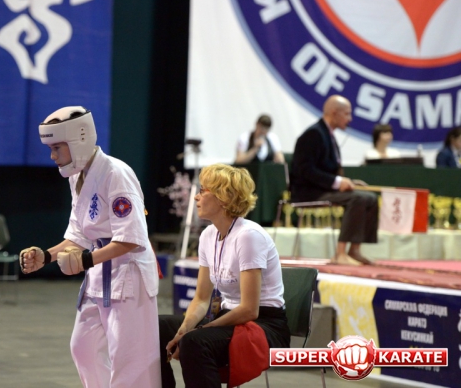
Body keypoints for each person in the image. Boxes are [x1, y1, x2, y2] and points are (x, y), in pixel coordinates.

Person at [19, 106, 161, 388]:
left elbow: (132, 237)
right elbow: (79, 234)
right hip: (99, 271)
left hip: (129, 275)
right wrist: (46, 256)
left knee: (130, 361)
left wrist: (86, 260)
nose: (52, 156)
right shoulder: (77, 175)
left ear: (79, 139)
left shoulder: (116, 174)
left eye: (57, 148)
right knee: (83, 348)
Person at [158, 163, 289, 388]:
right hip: (229, 317)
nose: (196, 197)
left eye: (203, 191)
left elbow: (249, 310)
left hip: (263, 325)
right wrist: (183, 329)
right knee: (158, 328)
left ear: (223, 197)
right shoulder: (208, 235)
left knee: (194, 341)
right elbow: (201, 299)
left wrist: (198, 331)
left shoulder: (248, 236)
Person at [290, 95, 378, 266]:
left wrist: (347, 181)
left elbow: (327, 169)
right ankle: (340, 253)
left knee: (370, 198)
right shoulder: (313, 134)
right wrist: (337, 182)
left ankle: (354, 250)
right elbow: (304, 170)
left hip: (324, 189)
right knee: (358, 198)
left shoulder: (327, 134)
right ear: (334, 112)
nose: (350, 119)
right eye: (347, 114)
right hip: (308, 191)